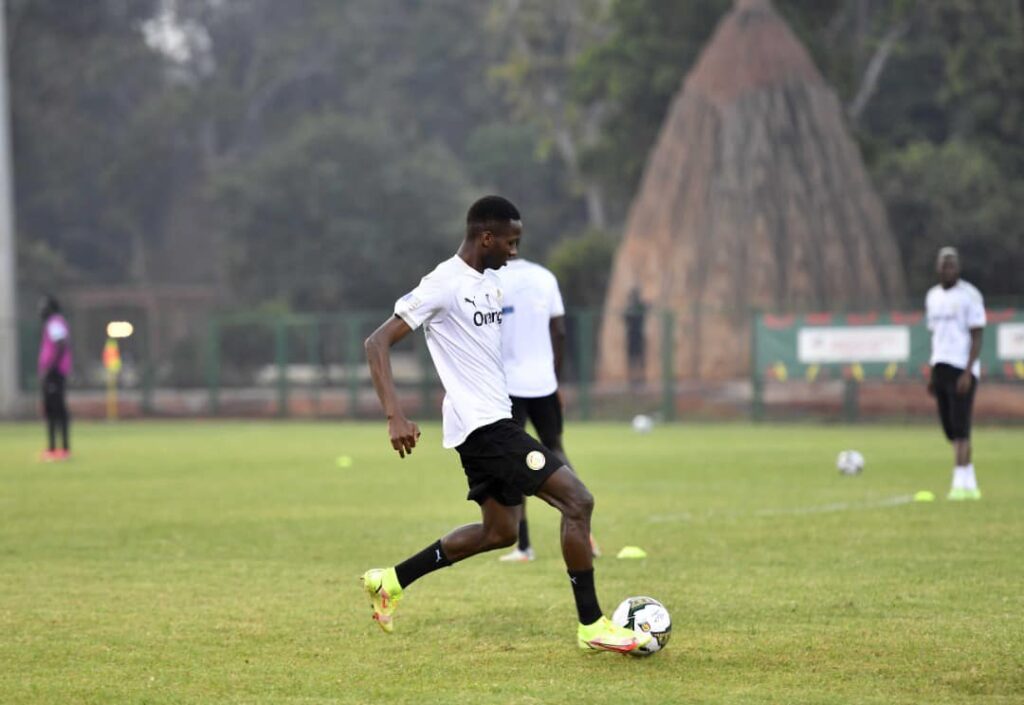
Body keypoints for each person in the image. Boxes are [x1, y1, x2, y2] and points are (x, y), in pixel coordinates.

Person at [360, 195, 649, 653]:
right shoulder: (443, 283)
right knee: (578, 502)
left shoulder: (492, 284)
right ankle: (592, 626)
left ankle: (390, 581)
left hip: (492, 420)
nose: (514, 252)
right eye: (510, 243)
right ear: (486, 237)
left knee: (500, 532)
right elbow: (376, 343)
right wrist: (394, 414)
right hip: (484, 428)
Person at [494, 256, 599, 562]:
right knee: (556, 448)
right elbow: (560, 331)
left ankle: (524, 546)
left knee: (513, 458)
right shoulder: (545, 277)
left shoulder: (491, 280)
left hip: (507, 383)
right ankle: (585, 532)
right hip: (544, 382)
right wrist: (554, 378)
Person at [926, 247, 985, 500]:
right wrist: (932, 371)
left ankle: (958, 484)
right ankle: (970, 480)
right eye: (943, 264)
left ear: (958, 268)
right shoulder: (932, 296)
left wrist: (968, 371)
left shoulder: (969, 295)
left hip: (961, 366)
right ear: (937, 267)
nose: (947, 268)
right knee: (950, 429)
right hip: (941, 365)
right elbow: (936, 336)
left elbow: (977, 334)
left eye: (951, 264)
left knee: (962, 427)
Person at [37, 295, 72, 461]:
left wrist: (51, 369)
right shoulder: (52, 323)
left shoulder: (55, 323)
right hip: (52, 373)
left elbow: (61, 344)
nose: (40, 309)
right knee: (51, 410)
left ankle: (62, 449)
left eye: (43, 306)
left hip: (55, 373)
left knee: (57, 410)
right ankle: (52, 449)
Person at [623, 287, 647, 388]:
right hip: (632, 336)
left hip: (639, 335)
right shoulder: (630, 308)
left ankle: (640, 379)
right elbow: (624, 317)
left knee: (640, 358)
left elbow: (647, 308)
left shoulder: (640, 307)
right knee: (632, 359)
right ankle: (633, 380)